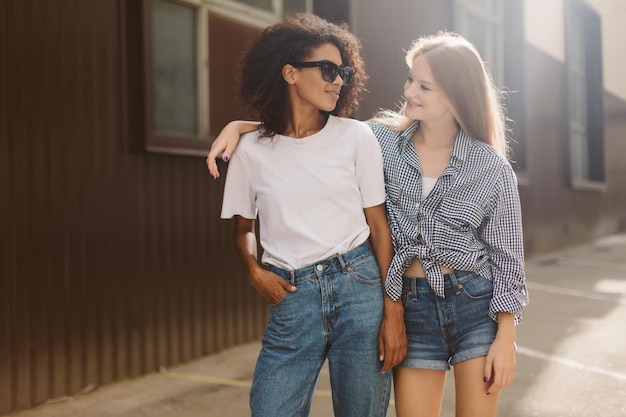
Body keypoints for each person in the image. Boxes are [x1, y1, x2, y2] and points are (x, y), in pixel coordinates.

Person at [208, 31, 528, 417]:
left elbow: (508, 259)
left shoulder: (491, 166)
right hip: (413, 306)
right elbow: (307, 132)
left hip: (474, 305)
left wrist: (506, 337)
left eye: (424, 85)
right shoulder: (381, 140)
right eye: (410, 79)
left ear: (455, 94)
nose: (409, 90)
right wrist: (242, 126)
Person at [215, 13, 406, 417]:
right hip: (292, 296)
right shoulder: (251, 151)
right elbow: (243, 230)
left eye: (343, 71)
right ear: (289, 73)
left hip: (359, 287)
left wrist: (393, 310)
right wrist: (252, 270)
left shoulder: (356, 137)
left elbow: (378, 227)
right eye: (327, 70)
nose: (338, 80)